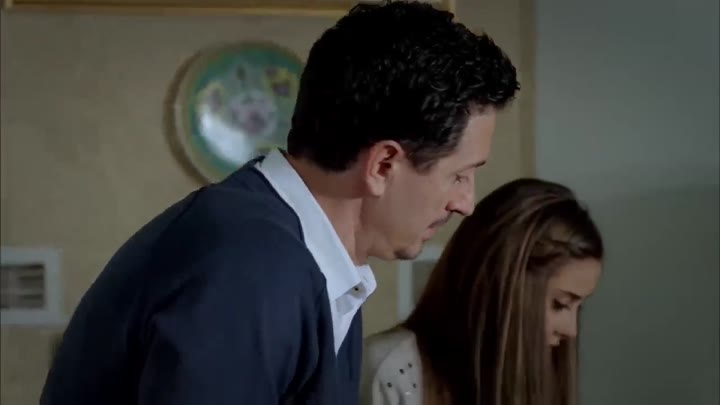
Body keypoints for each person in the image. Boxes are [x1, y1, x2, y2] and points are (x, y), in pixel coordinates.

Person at [40, 2, 519, 405]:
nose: (466, 203)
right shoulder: (252, 268)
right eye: (460, 175)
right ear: (383, 164)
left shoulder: (305, 259)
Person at [361, 178, 604, 405]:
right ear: (500, 287)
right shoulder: (391, 370)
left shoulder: (541, 380)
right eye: (560, 304)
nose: (571, 331)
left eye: (579, 307)